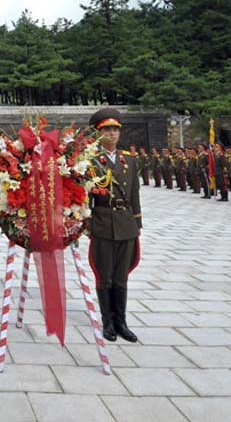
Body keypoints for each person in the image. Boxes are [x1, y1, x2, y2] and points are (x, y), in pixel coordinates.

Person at [87, 108, 141, 343]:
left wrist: (137, 222)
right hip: (103, 221)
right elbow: (82, 196)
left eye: (115, 129)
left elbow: (135, 193)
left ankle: (122, 321)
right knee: (105, 275)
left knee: (121, 276)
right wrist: (87, 223)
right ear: (98, 133)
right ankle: (107, 321)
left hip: (126, 222)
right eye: (106, 129)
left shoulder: (129, 160)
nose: (111, 133)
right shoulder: (89, 162)